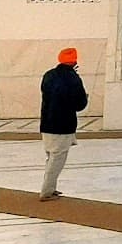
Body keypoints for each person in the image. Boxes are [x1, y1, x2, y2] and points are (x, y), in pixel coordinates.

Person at [39, 47, 89, 200]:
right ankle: (47, 192)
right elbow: (79, 104)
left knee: (51, 157)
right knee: (57, 160)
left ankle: (50, 188)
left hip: (46, 124)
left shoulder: (48, 75)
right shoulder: (73, 79)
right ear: (74, 61)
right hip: (62, 125)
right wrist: (85, 98)